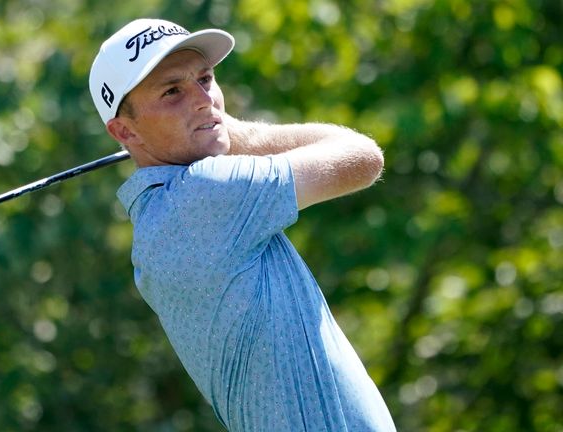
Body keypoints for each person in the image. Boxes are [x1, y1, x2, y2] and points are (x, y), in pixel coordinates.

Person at [89, 18, 397, 431]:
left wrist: (209, 129)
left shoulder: (161, 217)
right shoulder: (203, 197)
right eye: (172, 92)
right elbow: (362, 156)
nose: (204, 100)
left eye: (205, 79)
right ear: (124, 130)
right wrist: (236, 132)